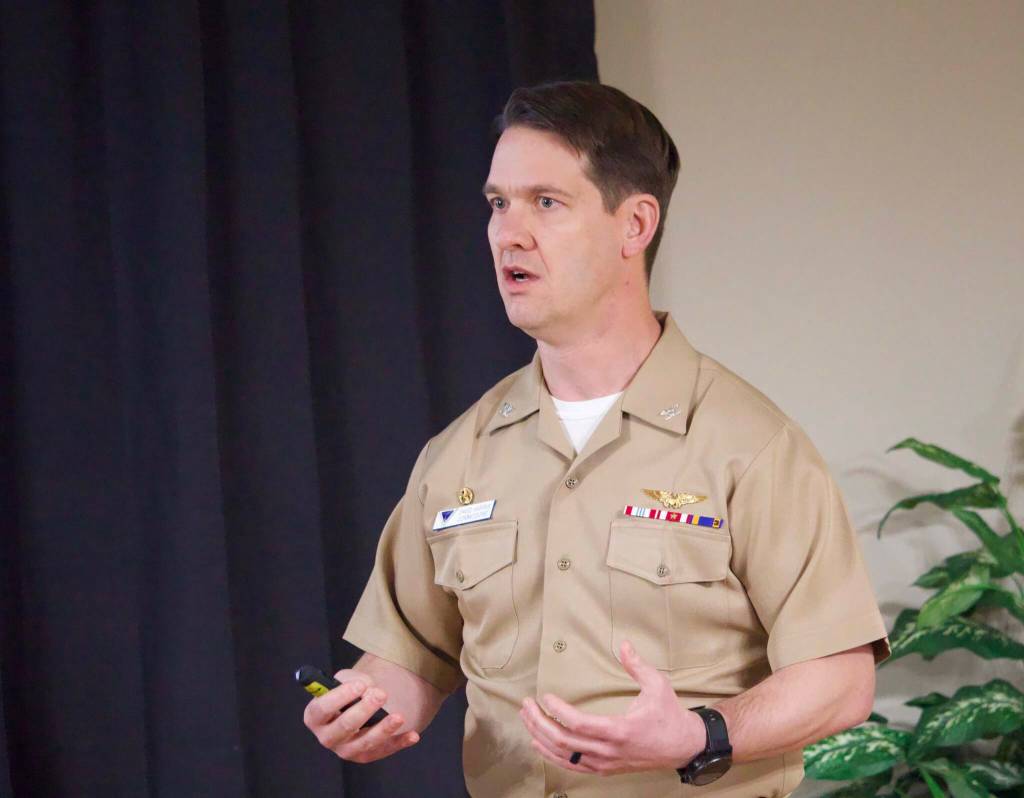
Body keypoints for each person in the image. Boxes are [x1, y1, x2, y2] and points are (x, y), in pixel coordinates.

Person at [303, 80, 890, 798]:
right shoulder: (457, 455)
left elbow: (841, 680)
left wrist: (701, 735)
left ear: (634, 225)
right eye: (497, 203)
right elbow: (409, 660)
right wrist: (365, 708)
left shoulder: (752, 446)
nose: (507, 233)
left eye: (545, 203)